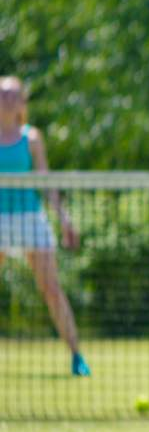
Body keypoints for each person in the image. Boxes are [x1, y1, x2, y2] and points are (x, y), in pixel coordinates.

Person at [0, 76, 90, 376]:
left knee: (51, 288)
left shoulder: (32, 138)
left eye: (14, 95)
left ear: (22, 103)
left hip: (29, 219)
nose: (8, 99)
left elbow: (46, 182)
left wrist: (63, 219)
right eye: (3, 94)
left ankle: (77, 356)